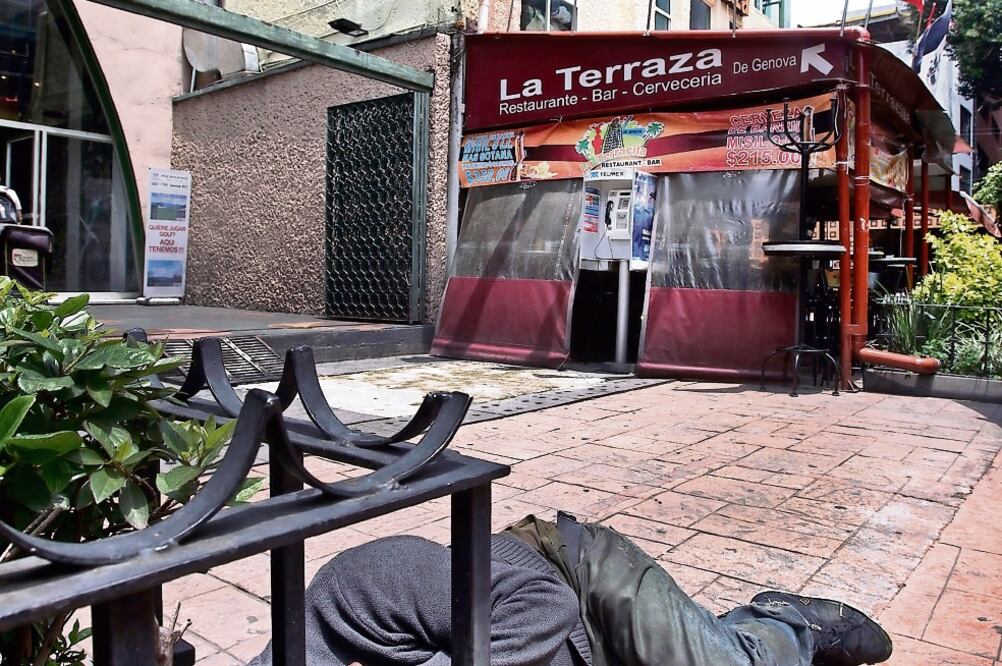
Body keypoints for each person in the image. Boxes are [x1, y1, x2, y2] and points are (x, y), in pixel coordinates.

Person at [251, 512, 892, 666]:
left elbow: (542, 605)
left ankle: (786, 622)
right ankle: (710, 627)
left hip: (583, 581)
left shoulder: (361, 586)